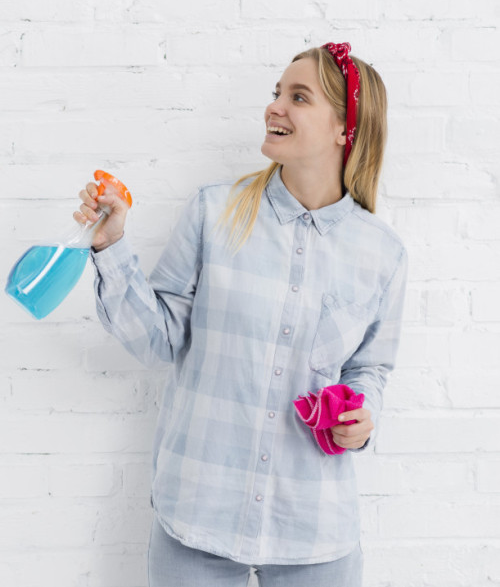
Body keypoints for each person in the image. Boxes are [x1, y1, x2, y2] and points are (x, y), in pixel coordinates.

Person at [74, 43, 407, 586]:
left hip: (314, 531)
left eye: (299, 97)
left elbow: (369, 369)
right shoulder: (214, 212)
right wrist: (111, 247)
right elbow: (157, 340)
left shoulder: (382, 254)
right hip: (197, 517)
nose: (275, 106)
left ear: (345, 129)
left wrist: (360, 416)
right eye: (277, 92)